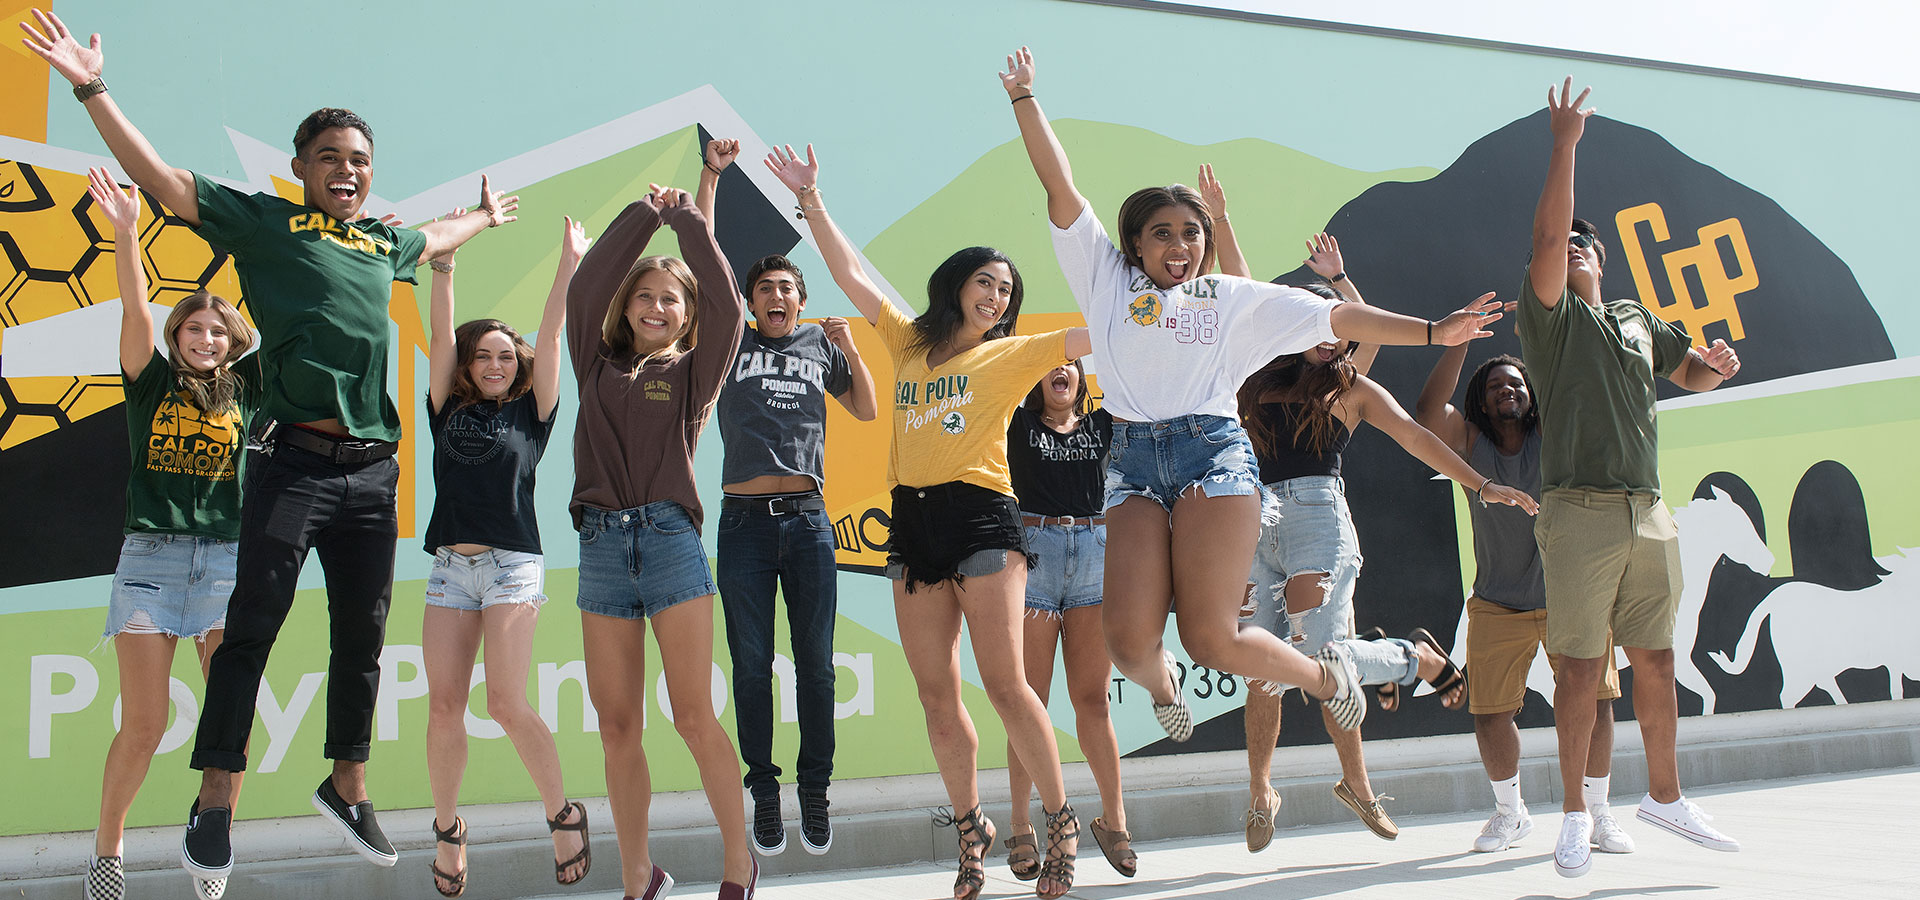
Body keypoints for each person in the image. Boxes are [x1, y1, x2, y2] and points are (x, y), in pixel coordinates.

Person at [21, 8, 520, 882]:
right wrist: (92, 88)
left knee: (362, 633)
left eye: (360, 160)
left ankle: (348, 782)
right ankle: (214, 802)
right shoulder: (262, 223)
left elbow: (433, 238)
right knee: (249, 626)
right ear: (299, 170)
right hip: (292, 463)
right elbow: (167, 183)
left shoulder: (379, 241)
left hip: (372, 469)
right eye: (330, 157)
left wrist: (478, 219)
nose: (347, 171)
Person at [1004, 45, 1505, 746]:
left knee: (1212, 638)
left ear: (1205, 245)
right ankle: (1163, 684)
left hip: (1214, 459)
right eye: (1162, 235)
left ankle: (1327, 676)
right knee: (1128, 643)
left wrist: (1434, 330)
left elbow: (1340, 319)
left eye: (1191, 234)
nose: (1178, 246)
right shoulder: (1104, 279)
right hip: (1135, 463)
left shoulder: (1230, 298)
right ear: (1136, 246)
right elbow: (1061, 188)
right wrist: (1025, 98)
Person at [766, 142, 1086, 900]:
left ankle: (1061, 820)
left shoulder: (1013, 355)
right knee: (936, 693)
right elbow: (849, 274)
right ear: (957, 286)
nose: (998, 298)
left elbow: (1101, 330)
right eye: (986, 283)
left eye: (1007, 290)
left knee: (1006, 685)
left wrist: (1181, 299)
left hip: (981, 520)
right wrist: (810, 198)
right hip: (912, 526)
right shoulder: (909, 339)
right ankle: (971, 830)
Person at [1520, 78, 1743, 879]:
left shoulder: (1634, 318)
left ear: (1604, 261)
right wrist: (1566, 143)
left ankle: (1666, 798)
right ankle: (1575, 815)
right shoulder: (1548, 321)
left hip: (1650, 515)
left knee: (1655, 662)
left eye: (1586, 241)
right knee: (1581, 669)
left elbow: (1690, 373)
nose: (1573, 244)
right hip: (1577, 514)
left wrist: (1714, 369)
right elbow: (1548, 241)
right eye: (1564, 242)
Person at [1236, 263, 1537, 850]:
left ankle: (1383, 725)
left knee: (1329, 659)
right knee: (1261, 671)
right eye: (1317, 321)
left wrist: (1480, 485)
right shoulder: (1253, 375)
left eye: (1339, 323)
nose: (1330, 334)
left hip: (1317, 522)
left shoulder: (1349, 387)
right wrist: (1220, 221)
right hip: (1253, 524)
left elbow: (1417, 436)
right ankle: (1259, 792)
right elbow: (1242, 291)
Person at [565, 183, 751, 900]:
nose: (654, 306)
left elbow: (730, 305)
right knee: (617, 726)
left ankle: (739, 863)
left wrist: (688, 221)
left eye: (670, 299)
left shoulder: (693, 373)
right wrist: (645, 216)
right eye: (643, 296)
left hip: (671, 544)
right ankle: (638, 877)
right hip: (603, 547)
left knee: (693, 716)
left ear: (686, 315)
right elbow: (587, 288)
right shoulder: (593, 361)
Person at [700, 136, 880, 858]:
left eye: (787, 291)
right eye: (764, 290)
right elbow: (704, 258)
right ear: (749, 302)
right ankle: (763, 790)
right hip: (742, 523)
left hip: (807, 523)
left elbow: (865, 409)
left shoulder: (815, 346)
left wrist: (850, 347)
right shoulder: (727, 342)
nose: (776, 298)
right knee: (749, 665)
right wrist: (711, 177)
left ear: (800, 303)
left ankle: (815, 787)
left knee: (816, 665)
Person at [82, 168, 259, 900]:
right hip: (151, 558)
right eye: (195, 328)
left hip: (225, 562)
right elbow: (134, 308)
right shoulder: (148, 383)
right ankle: (109, 847)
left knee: (231, 724)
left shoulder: (250, 391)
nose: (207, 338)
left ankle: (210, 840)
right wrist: (126, 233)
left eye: (218, 330)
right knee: (146, 725)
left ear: (230, 340)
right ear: (178, 336)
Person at [419, 216, 589, 896]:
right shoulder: (443, 409)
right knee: (442, 708)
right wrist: (445, 265)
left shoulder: (532, 414)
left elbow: (550, 336)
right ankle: (448, 830)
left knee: (507, 702)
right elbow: (438, 334)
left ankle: (562, 814)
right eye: (484, 356)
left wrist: (568, 262)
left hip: (512, 565)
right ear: (467, 367)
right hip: (450, 570)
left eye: (505, 357)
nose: (497, 364)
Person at [1416, 346, 1631, 855]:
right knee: (1490, 714)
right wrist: (1458, 340)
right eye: (1494, 388)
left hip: (1571, 597)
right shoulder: (1468, 443)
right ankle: (1511, 815)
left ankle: (1598, 813)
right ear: (1482, 405)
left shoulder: (1551, 434)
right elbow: (1427, 414)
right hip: (1497, 603)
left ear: (1532, 396)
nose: (1506, 390)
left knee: (1597, 705)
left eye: (1515, 383)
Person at [1002, 360, 1134, 880]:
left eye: (1069, 366)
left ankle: (1114, 818)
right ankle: (1019, 823)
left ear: (1081, 378)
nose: (1060, 371)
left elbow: (1137, 378)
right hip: (1034, 556)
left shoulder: (1103, 424)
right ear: (1036, 381)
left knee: (1092, 700)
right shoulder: (1018, 424)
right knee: (1027, 699)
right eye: (1049, 366)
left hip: (1095, 555)